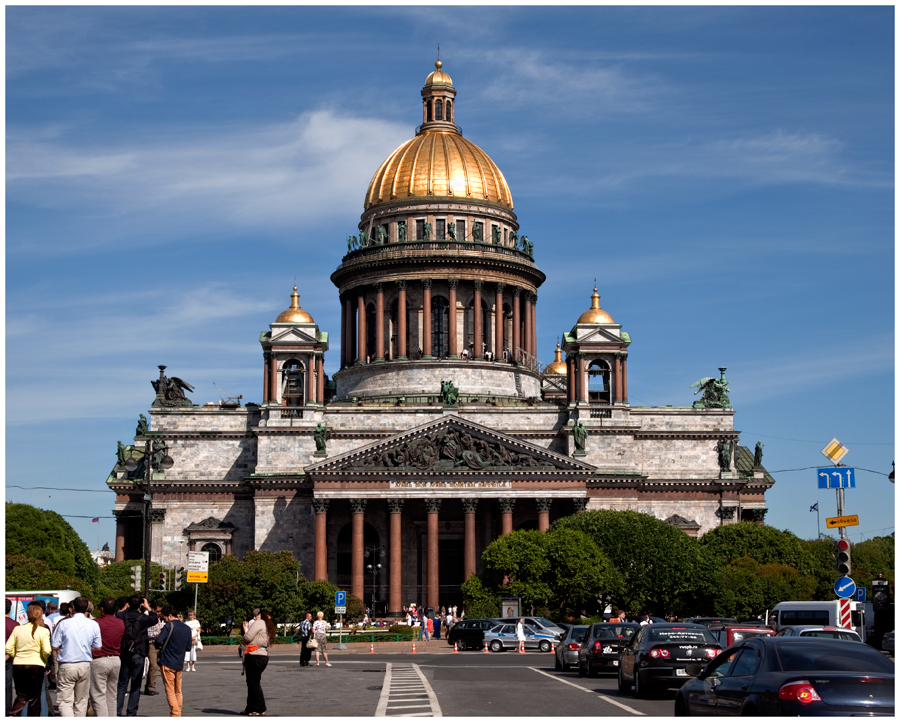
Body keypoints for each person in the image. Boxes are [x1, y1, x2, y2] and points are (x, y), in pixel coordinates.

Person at [51, 596, 101, 717]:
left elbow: (54, 645)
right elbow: (98, 647)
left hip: (67, 664)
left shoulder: (64, 624)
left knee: (65, 701)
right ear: (87, 609)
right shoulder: (93, 624)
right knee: (81, 701)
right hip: (84, 664)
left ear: (73, 607)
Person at [115, 596, 158, 717]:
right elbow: (155, 619)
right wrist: (148, 607)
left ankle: (117, 712)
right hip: (139, 652)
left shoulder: (122, 616)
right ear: (141, 605)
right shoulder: (144, 618)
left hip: (124, 652)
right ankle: (131, 712)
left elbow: (118, 614)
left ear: (128, 603)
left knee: (122, 683)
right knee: (136, 684)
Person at [6, 602, 51, 717]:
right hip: (36, 665)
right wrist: (44, 659)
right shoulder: (43, 631)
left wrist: (16, 655)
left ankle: (13, 714)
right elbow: (47, 650)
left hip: (19, 665)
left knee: (21, 695)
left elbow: (8, 647)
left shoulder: (18, 629)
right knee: (34, 699)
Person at [154, 605, 193, 717]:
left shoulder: (168, 626)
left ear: (170, 616)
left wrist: (160, 635)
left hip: (167, 661)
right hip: (179, 662)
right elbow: (188, 647)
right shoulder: (186, 628)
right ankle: (178, 713)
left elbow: (158, 642)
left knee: (170, 691)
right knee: (178, 691)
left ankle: (175, 714)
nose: (164, 620)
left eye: (164, 618)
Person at [89, 597, 123, 717]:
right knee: (112, 695)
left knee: (99, 695)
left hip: (99, 659)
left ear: (101, 609)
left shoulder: (96, 623)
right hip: (116, 659)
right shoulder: (120, 622)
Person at [241, 609, 275, 716]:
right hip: (263, 655)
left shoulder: (259, 622)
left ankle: (261, 708)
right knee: (252, 683)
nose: (255, 617)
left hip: (254, 655)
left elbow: (248, 637)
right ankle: (250, 708)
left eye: (257, 615)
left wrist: (246, 629)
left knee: (253, 683)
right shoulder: (268, 626)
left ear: (260, 615)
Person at [144, 600, 165, 696]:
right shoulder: (148, 618)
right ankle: (151, 687)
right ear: (153, 610)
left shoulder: (163, 619)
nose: (159, 613)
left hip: (160, 645)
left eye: (160, 611)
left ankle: (149, 686)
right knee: (153, 665)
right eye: (157, 611)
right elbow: (146, 632)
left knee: (157, 666)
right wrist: (157, 634)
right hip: (151, 644)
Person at [5, 599, 19, 716]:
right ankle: (6, 710)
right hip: (8, 659)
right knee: (7, 687)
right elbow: (16, 645)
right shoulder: (15, 625)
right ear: (10, 609)